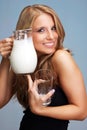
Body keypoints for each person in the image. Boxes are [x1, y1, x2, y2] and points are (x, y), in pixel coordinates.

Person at [0, 4, 87, 130]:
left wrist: (40, 110)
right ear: (26, 33)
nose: (51, 36)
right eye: (41, 30)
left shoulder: (61, 57)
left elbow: (81, 111)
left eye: (53, 28)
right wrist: (6, 59)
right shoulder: (22, 60)